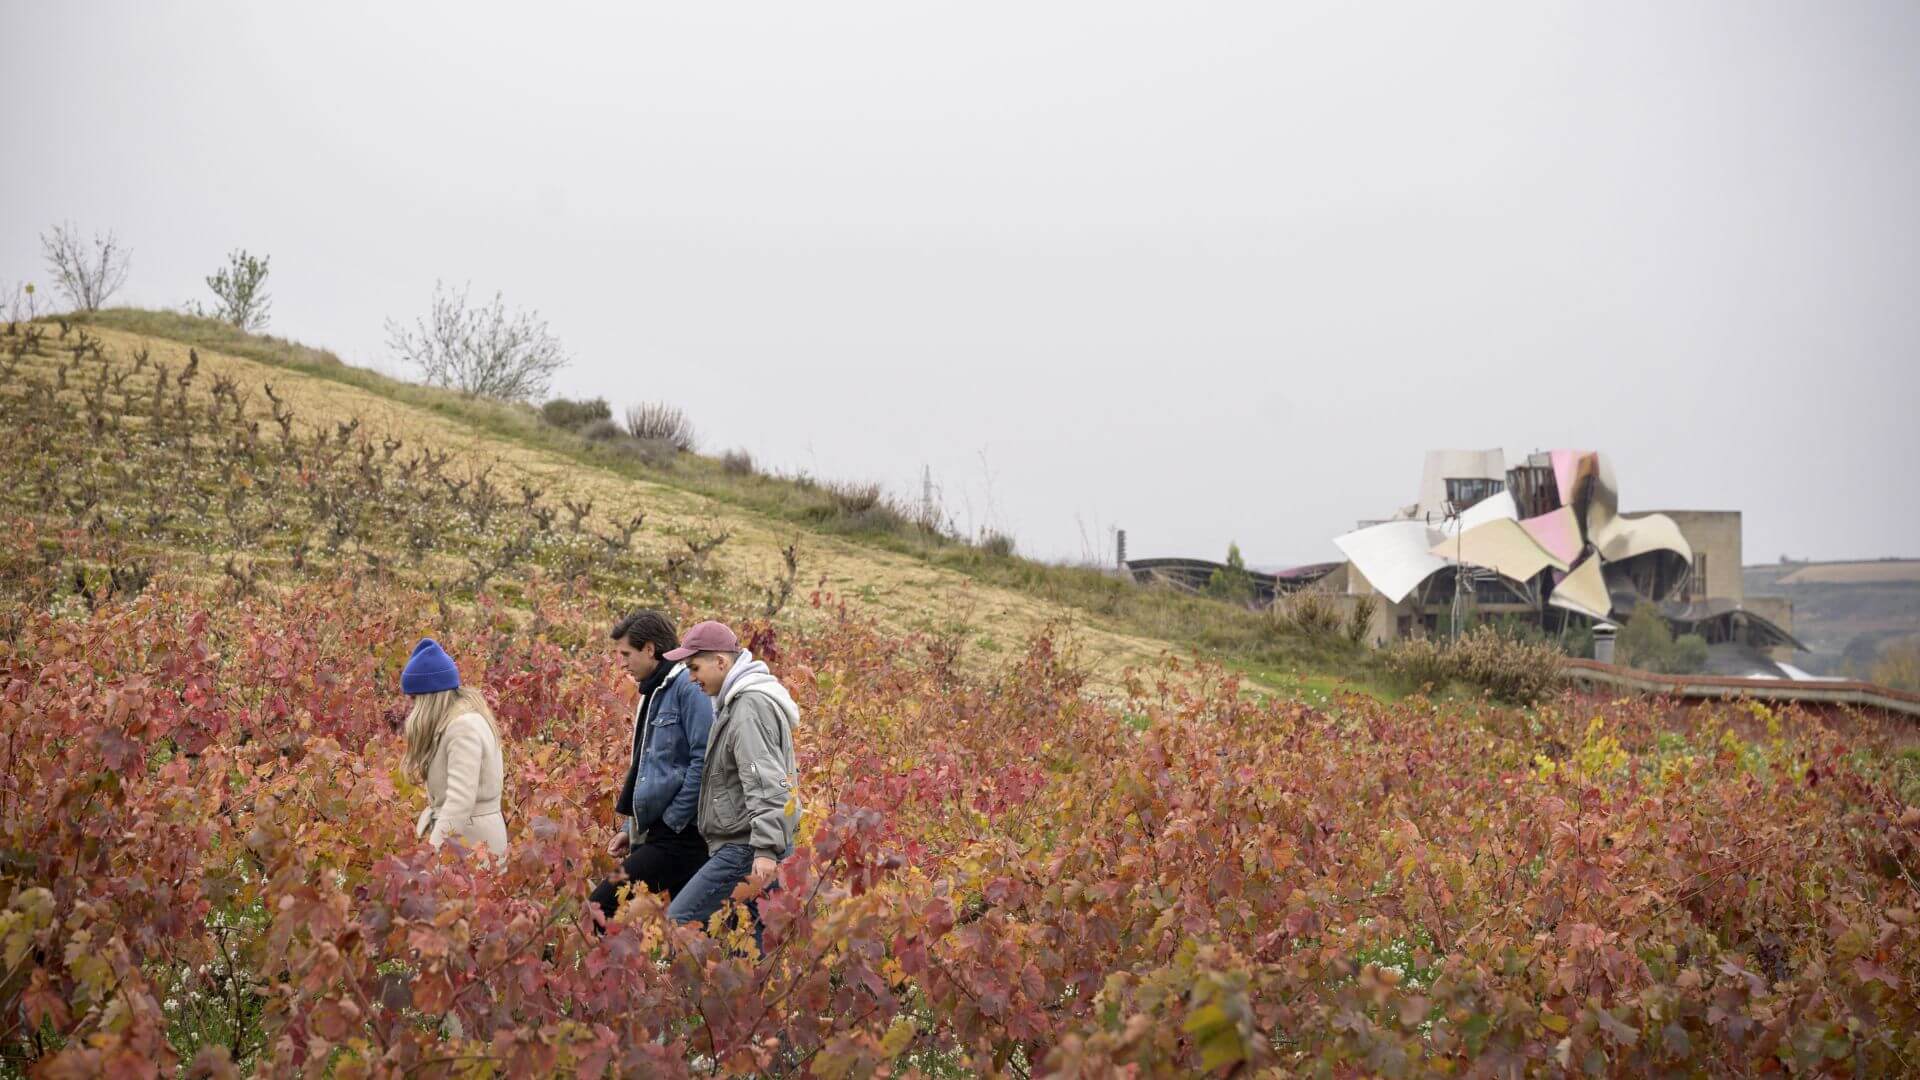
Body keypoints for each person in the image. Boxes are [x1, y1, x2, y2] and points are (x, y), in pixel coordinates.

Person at [662, 621, 801, 933]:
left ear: (721, 662)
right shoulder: (737, 704)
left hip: (747, 848)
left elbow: (766, 781)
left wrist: (765, 850)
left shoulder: (748, 708)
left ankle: (675, 984)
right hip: (750, 844)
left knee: (679, 924)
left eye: (694, 667)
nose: (691, 677)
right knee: (748, 950)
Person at [588, 609, 714, 929]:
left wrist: (672, 821)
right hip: (661, 835)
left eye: (626, 654)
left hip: (679, 838)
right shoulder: (653, 690)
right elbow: (648, 768)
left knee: (599, 906)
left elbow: (705, 759)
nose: (623, 663)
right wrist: (632, 830)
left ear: (649, 649)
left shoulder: (687, 687)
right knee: (689, 932)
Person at [401, 637, 508, 857]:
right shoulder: (458, 721)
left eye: (414, 699)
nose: (411, 707)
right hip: (467, 841)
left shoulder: (462, 728)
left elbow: (460, 802)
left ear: (428, 698)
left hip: (470, 847)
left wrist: (432, 852)